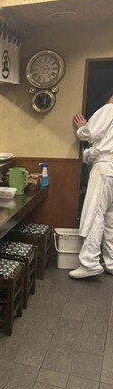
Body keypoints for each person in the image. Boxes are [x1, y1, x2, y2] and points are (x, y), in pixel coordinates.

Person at [69, 89, 113, 279]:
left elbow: (90, 132)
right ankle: (111, 262)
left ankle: (90, 262)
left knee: (95, 214)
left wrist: (82, 129)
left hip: (105, 168)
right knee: (110, 218)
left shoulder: (109, 109)